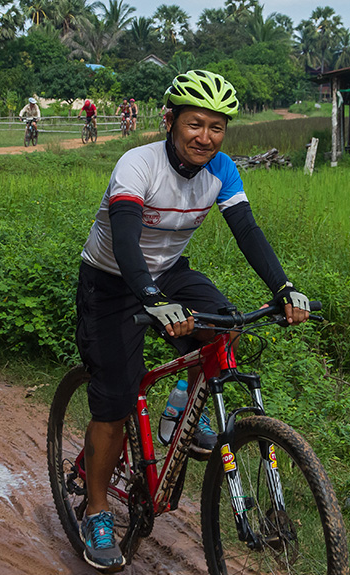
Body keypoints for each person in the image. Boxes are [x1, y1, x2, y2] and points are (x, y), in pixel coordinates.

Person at [73, 69, 310, 571]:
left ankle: (181, 404)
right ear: (170, 121)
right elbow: (125, 241)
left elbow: (247, 230)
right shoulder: (138, 165)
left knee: (225, 326)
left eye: (216, 127)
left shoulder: (222, 170)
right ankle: (96, 511)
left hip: (168, 273)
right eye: (195, 124)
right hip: (112, 279)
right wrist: (154, 300)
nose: (205, 137)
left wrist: (284, 287)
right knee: (114, 400)